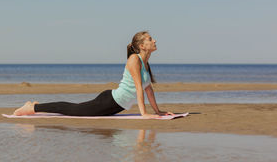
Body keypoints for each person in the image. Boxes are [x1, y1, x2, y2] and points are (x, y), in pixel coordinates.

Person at [13, 31, 173, 119]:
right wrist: (144, 114)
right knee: (71, 110)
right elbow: (138, 88)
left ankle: (35, 105)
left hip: (115, 105)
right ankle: (32, 107)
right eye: (150, 39)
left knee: (74, 109)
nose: (155, 41)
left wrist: (157, 111)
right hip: (110, 101)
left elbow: (148, 89)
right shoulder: (134, 59)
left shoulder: (145, 63)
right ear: (141, 45)